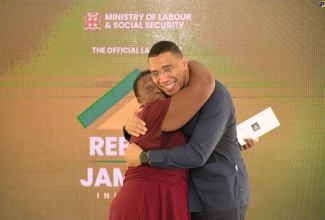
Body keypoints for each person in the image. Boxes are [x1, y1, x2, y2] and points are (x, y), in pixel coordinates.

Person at [124, 41, 256, 220]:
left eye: (168, 68)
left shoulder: (216, 96)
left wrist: (144, 157)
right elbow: (156, 128)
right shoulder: (171, 96)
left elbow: (197, 154)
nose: (163, 79)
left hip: (220, 200)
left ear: (184, 63)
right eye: (156, 73)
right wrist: (129, 126)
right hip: (186, 198)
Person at [108, 60, 215, 220]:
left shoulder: (175, 113)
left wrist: (232, 142)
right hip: (153, 197)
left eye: (160, 86)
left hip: (151, 196)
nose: (157, 92)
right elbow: (205, 83)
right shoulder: (157, 109)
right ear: (139, 101)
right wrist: (188, 63)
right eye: (150, 89)